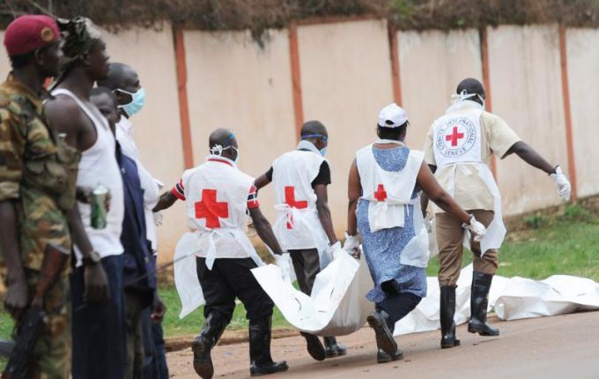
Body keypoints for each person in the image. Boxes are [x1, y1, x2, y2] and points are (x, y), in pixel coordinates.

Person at [422, 78, 571, 349]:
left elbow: (427, 171)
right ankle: (478, 318)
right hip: (477, 193)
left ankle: (447, 334)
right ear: (479, 96)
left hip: (443, 199)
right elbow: (519, 147)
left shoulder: (437, 125)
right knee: (486, 252)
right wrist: (553, 171)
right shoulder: (485, 118)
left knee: (448, 262)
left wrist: (422, 209)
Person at [0, 15, 106, 378]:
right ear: (40, 57)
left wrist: (79, 192)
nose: (62, 54)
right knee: (46, 361)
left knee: (49, 359)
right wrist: (14, 276)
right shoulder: (8, 110)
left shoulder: (36, 104)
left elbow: (39, 178)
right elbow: (4, 194)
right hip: (30, 264)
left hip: (51, 254)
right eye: (56, 49)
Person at [345, 103, 487, 363]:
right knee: (414, 287)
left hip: (371, 225)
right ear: (403, 131)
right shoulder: (414, 159)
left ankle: (384, 348)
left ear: (378, 129)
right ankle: (384, 319)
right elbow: (440, 196)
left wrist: (351, 237)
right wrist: (468, 220)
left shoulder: (360, 156)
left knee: (384, 281)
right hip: (403, 226)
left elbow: (353, 200)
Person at [153, 128, 288, 378]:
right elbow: (259, 221)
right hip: (233, 250)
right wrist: (279, 253)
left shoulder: (191, 176)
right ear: (230, 148)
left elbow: (169, 198)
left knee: (219, 305)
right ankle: (260, 361)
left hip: (203, 251)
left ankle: (205, 338)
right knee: (260, 303)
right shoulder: (243, 181)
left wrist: (150, 208)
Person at [44, 17, 126, 378]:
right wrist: (89, 258)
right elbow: (57, 187)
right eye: (101, 49)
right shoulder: (64, 109)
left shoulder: (89, 106)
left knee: (110, 361)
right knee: (94, 364)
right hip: (87, 256)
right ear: (82, 57)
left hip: (107, 250)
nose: (107, 56)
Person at [97, 62, 169, 378]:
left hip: (138, 247)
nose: (140, 92)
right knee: (141, 346)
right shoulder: (117, 140)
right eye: (135, 85)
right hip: (130, 252)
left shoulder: (124, 136)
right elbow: (147, 193)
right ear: (116, 96)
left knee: (145, 342)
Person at [254, 120, 347, 360]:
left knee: (305, 287)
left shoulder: (281, 160)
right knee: (319, 286)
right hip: (309, 230)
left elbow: (254, 185)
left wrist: (250, 211)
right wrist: (334, 242)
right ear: (319, 140)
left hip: (286, 229)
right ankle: (325, 338)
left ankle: (319, 334)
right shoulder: (319, 162)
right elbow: (322, 206)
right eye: (325, 141)